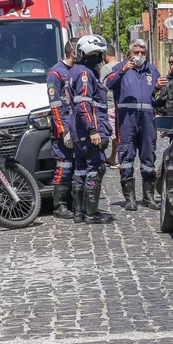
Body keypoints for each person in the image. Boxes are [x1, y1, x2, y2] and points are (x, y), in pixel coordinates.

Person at [104, 40, 162, 211]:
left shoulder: (152, 70)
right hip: (126, 121)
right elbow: (108, 84)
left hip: (147, 120)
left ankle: (148, 196)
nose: (139, 56)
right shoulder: (120, 68)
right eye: (136, 52)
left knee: (148, 156)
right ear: (130, 53)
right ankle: (129, 198)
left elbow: (159, 97)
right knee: (126, 157)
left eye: (142, 53)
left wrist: (158, 87)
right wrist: (123, 70)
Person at [66, 34, 115, 224]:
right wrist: (93, 130)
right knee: (95, 168)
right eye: (94, 54)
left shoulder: (76, 71)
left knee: (80, 169)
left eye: (99, 54)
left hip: (78, 130)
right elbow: (83, 104)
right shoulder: (85, 74)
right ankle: (91, 213)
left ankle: (79, 212)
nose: (98, 57)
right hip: (88, 131)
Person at [46, 39, 77, 220]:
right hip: (63, 128)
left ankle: (76, 201)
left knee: (78, 166)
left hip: (79, 126)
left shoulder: (79, 71)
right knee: (64, 166)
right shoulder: (55, 73)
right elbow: (55, 105)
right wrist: (64, 129)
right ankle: (60, 205)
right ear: (73, 52)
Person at [99, 44, 120, 167]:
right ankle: (113, 157)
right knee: (117, 133)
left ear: (105, 55)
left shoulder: (106, 68)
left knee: (112, 134)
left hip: (110, 104)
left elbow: (102, 87)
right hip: (119, 104)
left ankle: (113, 158)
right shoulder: (121, 65)